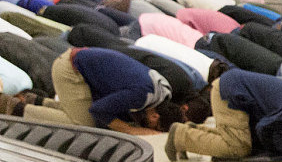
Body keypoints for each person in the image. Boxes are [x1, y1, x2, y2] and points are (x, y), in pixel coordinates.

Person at [166, 68, 282, 162]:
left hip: (235, 87)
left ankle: (192, 130)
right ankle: (181, 136)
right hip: (231, 92)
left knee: (242, 140)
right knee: (237, 147)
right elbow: (264, 127)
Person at [20, 46, 170, 132]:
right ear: (154, 117)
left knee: (82, 113)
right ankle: (17, 108)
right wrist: (134, 131)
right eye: (153, 127)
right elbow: (98, 110)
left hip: (78, 64)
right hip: (70, 70)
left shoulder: (160, 89)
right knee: (84, 126)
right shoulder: (141, 95)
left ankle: (36, 101)